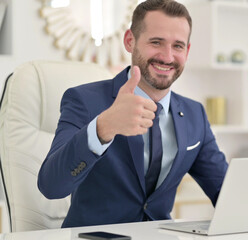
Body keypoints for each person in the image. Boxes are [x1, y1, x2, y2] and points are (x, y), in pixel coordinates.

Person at [37, 0, 228, 228]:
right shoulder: (85, 100)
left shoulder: (194, 113)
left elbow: (226, 192)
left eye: (177, 46)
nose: (167, 57)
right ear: (130, 41)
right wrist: (103, 127)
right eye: (156, 42)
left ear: (186, 51)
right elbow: (52, 186)